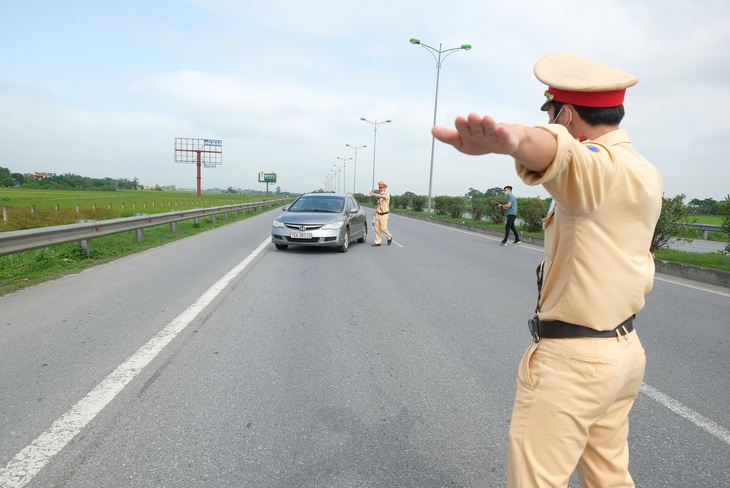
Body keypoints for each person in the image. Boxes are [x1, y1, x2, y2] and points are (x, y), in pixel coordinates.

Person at [432, 53, 662, 487]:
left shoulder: (597, 164)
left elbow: (563, 154)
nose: (551, 123)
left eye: (551, 114)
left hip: (576, 363)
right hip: (623, 352)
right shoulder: (643, 168)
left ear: (567, 115)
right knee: (609, 476)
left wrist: (515, 139)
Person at [369, 181, 392, 247]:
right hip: (378, 214)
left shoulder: (386, 195)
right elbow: (379, 206)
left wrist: (373, 194)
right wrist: (375, 211)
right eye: (380, 187)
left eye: (382, 188)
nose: (380, 189)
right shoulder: (379, 197)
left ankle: (389, 237)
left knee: (383, 228)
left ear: (385, 188)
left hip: (384, 215)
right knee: (377, 229)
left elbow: (383, 197)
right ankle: (377, 242)